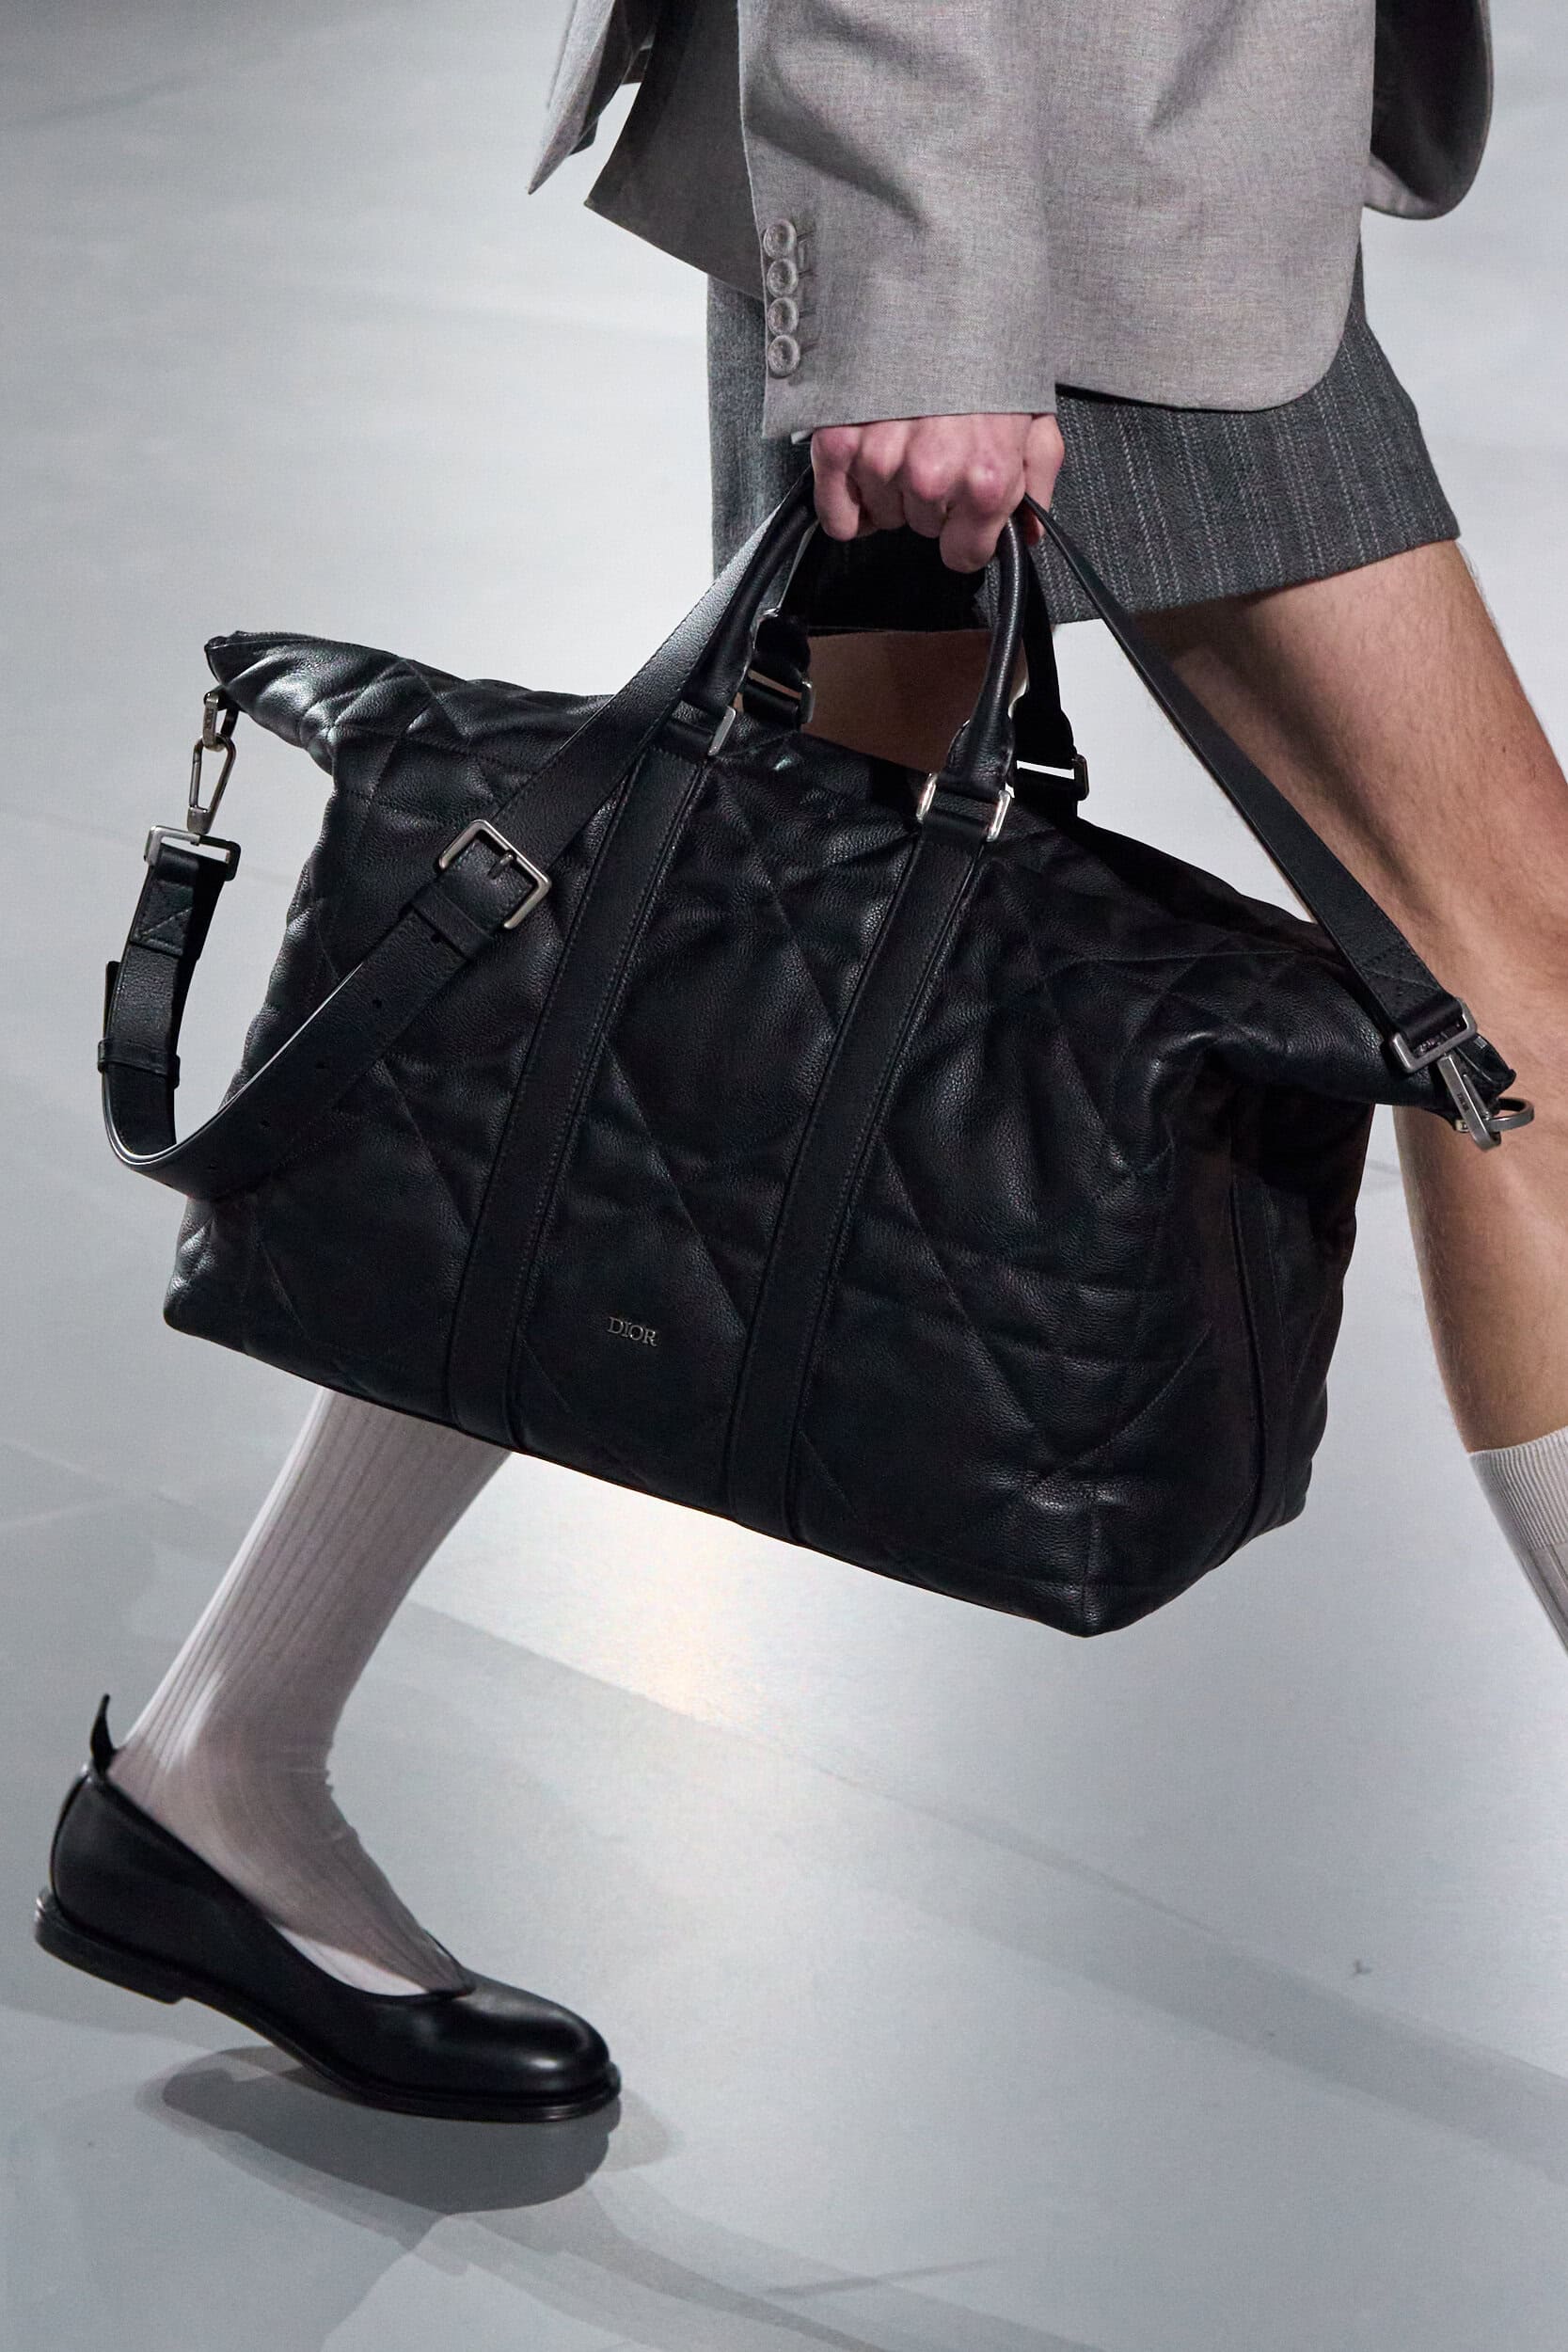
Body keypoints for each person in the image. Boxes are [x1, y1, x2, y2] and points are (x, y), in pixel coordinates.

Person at [36, 0, 1568, 2113]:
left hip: (1073, 163)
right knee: (1526, 1001)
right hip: (1030, 184)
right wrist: (917, 278)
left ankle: (224, 1749)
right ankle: (225, 1751)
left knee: (755, 937)